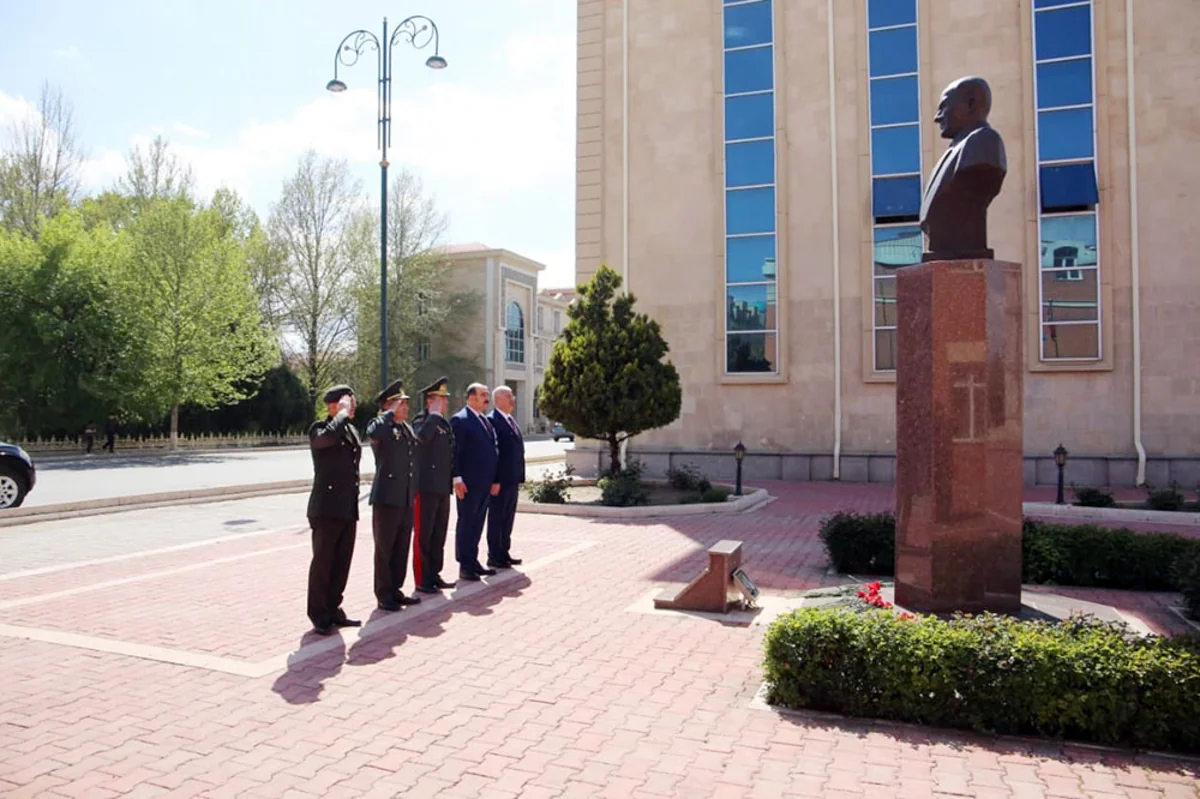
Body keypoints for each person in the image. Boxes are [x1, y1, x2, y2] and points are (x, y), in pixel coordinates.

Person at [305, 384, 363, 635]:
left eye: (352, 402)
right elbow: (325, 440)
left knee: (342, 563)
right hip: (326, 508)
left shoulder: (349, 430)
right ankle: (319, 613)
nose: (352, 406)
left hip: (347, 506)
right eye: (347, 402)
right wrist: (340, 414)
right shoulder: (319, 428)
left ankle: (333, 607)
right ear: (332, 405)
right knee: (323, 562)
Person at [365, 379, 422, 612]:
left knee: (401, 547)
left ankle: (396, 588)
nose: (405, 407)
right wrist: (388, 413)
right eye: (400, 403)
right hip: (387, 497)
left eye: (406, 403)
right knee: (385, 548)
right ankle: (383, 593)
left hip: (405, 496)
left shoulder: (404, 428)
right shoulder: (381, 425)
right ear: (388, 406)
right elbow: (373, 432)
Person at [450, 383, 500, 582]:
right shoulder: (460, 420)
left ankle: (473, 560)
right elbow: (455, 452)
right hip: (468, 483)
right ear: (471, 397)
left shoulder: (484, 420)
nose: (486, 398)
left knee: (478, 523)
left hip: (484, 482)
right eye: (483, 395)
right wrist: (457, 478)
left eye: (487, 394)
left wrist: (494, 479)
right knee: (467, 522)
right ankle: (465, 564)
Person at [412, 377, 457, 595]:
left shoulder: (443, 424)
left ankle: (434, 574)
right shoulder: (421, 421)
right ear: (430, 401)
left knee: (439, 534)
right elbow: (421, 439)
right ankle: (422, 579)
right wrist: (433, 416)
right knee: (424, 535)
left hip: (442, 487)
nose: (446, 403)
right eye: (442, 399)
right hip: (426, 487)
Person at [486, 386, 525, 569]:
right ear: (498, 400)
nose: (512, 399)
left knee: (508, 517)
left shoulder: (510, 420)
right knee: (497, 517)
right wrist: (494, 480)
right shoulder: (492, 420)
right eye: (508, 396)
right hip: (500, 481)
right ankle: (494, 555)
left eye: (512, 396)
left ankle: (504, 552)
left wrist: (520, 476)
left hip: (512, 479)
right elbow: (493, 454)